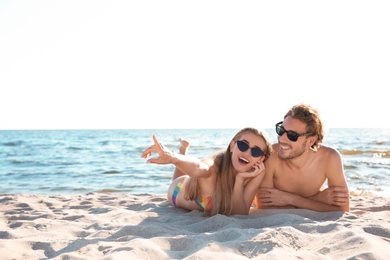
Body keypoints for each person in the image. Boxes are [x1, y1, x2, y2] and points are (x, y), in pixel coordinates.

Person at [141, 127, 273, 216]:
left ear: (262, 158)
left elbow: (240, 213)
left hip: (192, 181)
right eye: (243, 145)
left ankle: (183, 150)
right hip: (177, 191)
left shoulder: (256, 172)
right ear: (232, 145)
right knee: (185, 177)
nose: (247, 153)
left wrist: (239, 180)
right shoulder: (214, 166)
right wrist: (172, 158)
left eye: (256, 151)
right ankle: (181, 152)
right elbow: (199, 167)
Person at [255, 103, 350, 212]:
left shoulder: (330, 158)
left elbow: (342, 210)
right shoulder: (270, 155)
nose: (281, 139)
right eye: (281, 130)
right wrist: (317, 199)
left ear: (310, 141)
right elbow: (264, 207)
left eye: (292, 135)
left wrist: (291, 199)